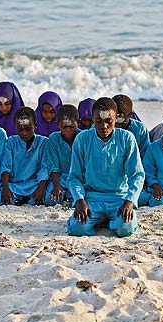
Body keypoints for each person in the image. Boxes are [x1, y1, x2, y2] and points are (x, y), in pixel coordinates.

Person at [67, 97, 145, 237]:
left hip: (119, 198)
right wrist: (79, 200)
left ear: (116, 119)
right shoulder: (82, 139)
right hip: (92, 198)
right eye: (99, 121)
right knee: (77, 229)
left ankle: (109, 221)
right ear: (92, 119)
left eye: (109, 121)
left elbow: (137, 175)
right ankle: (102, 219)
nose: (104, 126)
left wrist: (129, 201)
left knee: (125, 229)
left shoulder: (127, 138)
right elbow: (74, 176)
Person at [0, 107, 49, 205]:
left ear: (35, 125)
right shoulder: (11, 142)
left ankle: (27, 199)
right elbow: (6, 167)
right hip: (15, 185)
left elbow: (45, 168)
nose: (24, 133)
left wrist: (40, 188)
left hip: (35, 184)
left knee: (50, 199)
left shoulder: (43, 142)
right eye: (20, 129)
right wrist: (5, 188)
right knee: (0, 198)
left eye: (28, 129)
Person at [45, 104, 81, 205]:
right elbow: (54, 166)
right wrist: (56, 185)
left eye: (72, 126)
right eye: (64, 126)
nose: (68, 130)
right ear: (58, 125)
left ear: (78, 123)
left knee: (80, 198)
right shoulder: (54, 138)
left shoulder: (83, 137)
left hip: (79, 178)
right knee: (50, 199)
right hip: (61, 178)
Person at [112, 94, 150, 158]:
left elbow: (146, 155)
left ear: (131, 114)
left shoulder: (140, 129)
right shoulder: (103, 127)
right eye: (113, 121)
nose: (117, 126)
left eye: (120, 121)